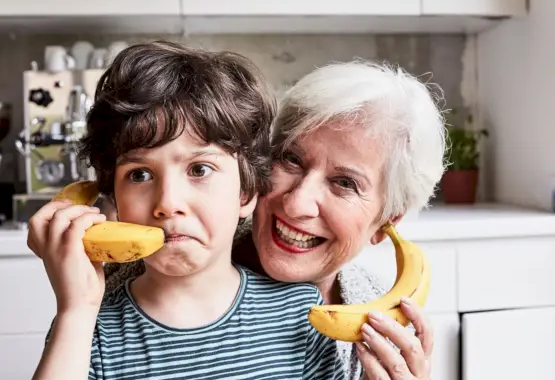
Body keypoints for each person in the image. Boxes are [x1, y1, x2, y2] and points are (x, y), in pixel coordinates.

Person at [103, 59, 447, 380]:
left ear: (386, 221)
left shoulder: (381, 329)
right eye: (291, 159)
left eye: (345, 183)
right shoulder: (150, 270)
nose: (298, 204)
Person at [26, 41, 344, 380]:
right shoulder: (89, 329)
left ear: (246, 192)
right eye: (140, 174)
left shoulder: (299, 314)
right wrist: (76, 311)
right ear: (115, 202)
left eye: (199, 169)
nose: (167, 203)